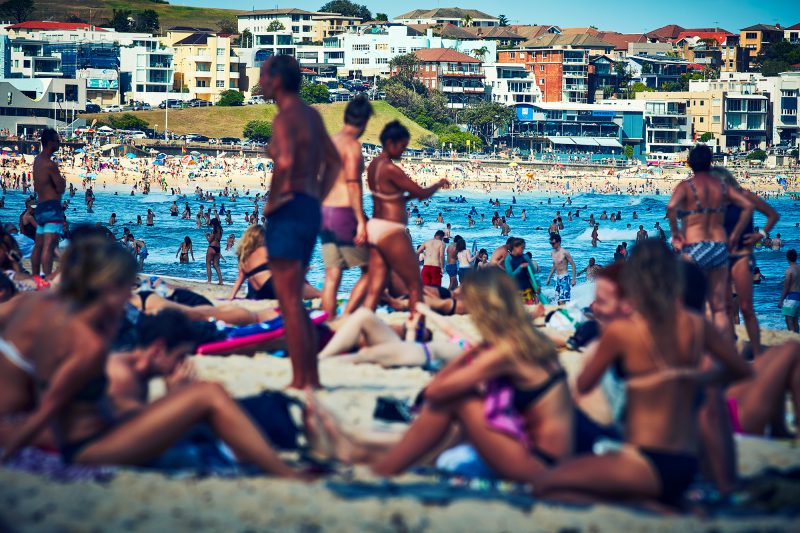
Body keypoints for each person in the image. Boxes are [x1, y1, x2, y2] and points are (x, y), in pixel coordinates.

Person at [0, 238, 302, 478]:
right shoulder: (86, 340)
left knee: (193, 408)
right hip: (90, 446)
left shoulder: (42, 307)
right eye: (126, 287)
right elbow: (51, 407)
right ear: (110, 288)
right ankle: (286, 473)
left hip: (84, 431)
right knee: (208, 395)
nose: (130, 296)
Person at [531, 239, 751, 508]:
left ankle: (647, 505)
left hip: (644, 460)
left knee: (546, 485)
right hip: (686, 462)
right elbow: (740, 370)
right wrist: (693, 377)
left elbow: (585, 383)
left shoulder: (623, 330)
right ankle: (665, 497)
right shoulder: (694, 323)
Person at [308, 269, 579, 481]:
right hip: (544, 455)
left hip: (538, 465)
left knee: (459, 400)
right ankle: (361, 447)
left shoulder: (505, 352)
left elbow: (437, 391)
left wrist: (468, 359)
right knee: (464, 408)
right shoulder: (528, 341)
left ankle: (381, 467)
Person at [260, 55, 341, 389]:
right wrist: (317, 195)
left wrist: (274, 199)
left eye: (264, 76)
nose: (261, 81)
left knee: (289, 300)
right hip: (308, 207)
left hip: (289, 207)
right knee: (294, 299)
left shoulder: (286, 118)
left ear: (277, 80)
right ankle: (312, 379)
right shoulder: (311, 115)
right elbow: (333, 162)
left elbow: (286, 160)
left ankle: (299, 380)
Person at [362, 121, 448, 318]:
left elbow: (392, 197)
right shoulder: (391, 169)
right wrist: (439, 183)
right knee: (414, 283)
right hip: (391, 229)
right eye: (402, 146)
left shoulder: (374, 165)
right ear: (390, 143)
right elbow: (421, 192)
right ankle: (415, 324)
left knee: (376, 283)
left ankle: (363, 320)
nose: (403, 152)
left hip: (375, 227)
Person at [667, 147, 753, 340]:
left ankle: (693, 341)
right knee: (719, 305)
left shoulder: (686, 186)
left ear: (689, 163)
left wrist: (675, 234)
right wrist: (735, 234)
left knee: (690, 299)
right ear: (710, 163)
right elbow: (747, 206)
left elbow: (671, 207)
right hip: (718, 246)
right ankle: (725, 345)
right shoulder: (721, 186)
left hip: (694, 245)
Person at [716, 167, 778, 357]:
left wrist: (761, 234)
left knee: (746, 307)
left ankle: (758, 352)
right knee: (725, 306)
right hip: (722, 257)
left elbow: (773, 215)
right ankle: (730, 348)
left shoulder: (746, 196)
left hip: (742, 256)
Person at [320, 96, 373, 318]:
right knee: (373, 270)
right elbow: (352, 183)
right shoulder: (352, 146)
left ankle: (328, 322)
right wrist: (361, 221)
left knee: (332, 275)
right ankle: (346, 316)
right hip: (343, 212)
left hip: (324, 213)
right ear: (363, 122)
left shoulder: (329, 142)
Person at [318, 308, 462, 369]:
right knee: (365, 354)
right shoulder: (471, 349)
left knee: (365, 354)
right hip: (415, 352)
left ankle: (321, 359)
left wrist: (427, 311)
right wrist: (411, 329)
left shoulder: (472, 348)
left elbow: (449, 328)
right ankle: (322, 359)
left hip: (418, 353)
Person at [31, 128, 66, 277]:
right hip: (52, 208)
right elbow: (60, 187)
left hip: (41, 206)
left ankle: (36, 277)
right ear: (50, 143)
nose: (59, 143)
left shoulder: (37, 160)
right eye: (57, 141)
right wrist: (62, 179)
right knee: (49, 246)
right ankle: (45, 278)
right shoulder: (50, 165)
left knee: (38, 245)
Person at [545, 233, 576, 304]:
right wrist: (549, 277)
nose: (552, 245)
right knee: (558, 302)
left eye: (553, 243)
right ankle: (561, 314)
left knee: (563, 301)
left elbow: (573, 265)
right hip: (557, 278)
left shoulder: (565, 252)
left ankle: (565, 313)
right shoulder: (552, 252)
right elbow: (554, 265)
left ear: (559, 242)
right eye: (551, 243)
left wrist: (573, 279)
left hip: (564, 278)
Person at [779, 248, 800, 333]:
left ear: (787, 258)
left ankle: (793, 339)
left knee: (788, 319)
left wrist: (781, 300)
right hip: (798, 297)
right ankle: (797, 339)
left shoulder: (789, 270)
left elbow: (786, 287)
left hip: (792, 297)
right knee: (795, 319)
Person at [205, 218, 223, 285]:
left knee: (208, 263)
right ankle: (221, 281)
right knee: (216, 265)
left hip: (212, 247)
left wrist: (206, 236)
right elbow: (217, 238)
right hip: (218, 248)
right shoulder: (220, 230)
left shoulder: (214, 231)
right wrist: (211, 235)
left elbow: (210, 241)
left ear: (213, 224)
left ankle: (209, 280)